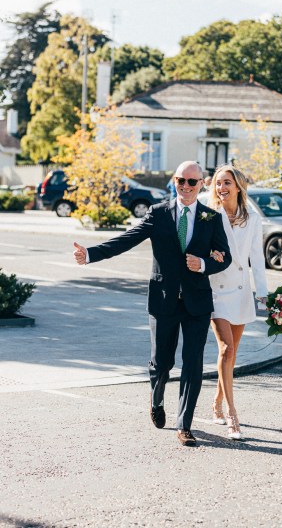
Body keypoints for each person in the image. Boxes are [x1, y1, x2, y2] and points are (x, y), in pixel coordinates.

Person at [73, 161, 232, 447]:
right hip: (164, 300)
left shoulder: (211, 218)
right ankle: (156, 399)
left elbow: (225, 256)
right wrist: (91, 254)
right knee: (162, 364)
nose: (185, 186)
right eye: (180, 181)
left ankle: (185, 426)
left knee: (193, 364)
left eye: (192, 182)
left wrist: (204, 264)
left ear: (202, 184)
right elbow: (127, 239)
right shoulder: (158, 214)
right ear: (174, 181)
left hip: (197, 303)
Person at [207, 164, 268, 440]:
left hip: (241, 292)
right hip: (216, 291)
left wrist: (263, 292)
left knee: (231, 356)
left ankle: (217, 401)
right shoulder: (209, 216)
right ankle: (233, 415)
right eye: (218, 183)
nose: (222, 188)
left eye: (227, 183)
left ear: (238, 186)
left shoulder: (252, 219)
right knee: (225, 350)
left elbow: (257, 258)